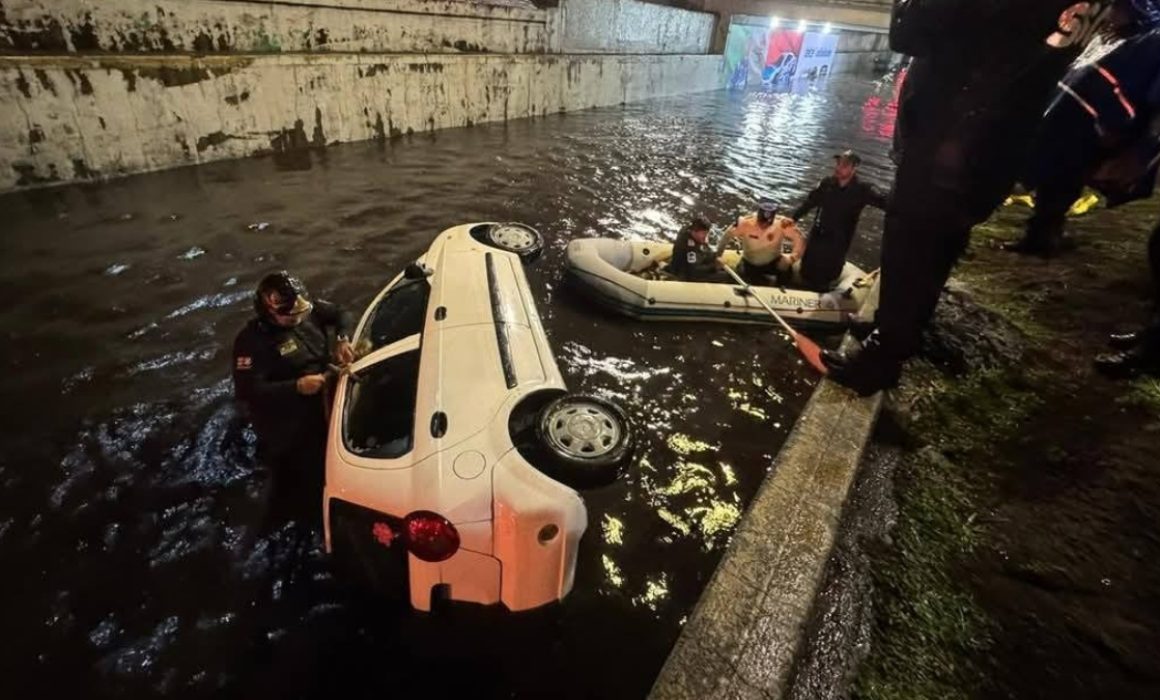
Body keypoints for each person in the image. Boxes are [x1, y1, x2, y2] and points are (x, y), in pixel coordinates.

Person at [821, 0, 1147, 396]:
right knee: (940, 244)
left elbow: (911, 32)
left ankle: (883, 357)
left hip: (951, 136)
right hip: (1000, 141)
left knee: (913, 246)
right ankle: (897, 330)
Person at [1004, 25, 1160, 257]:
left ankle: (1042, 234)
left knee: (1062, 167)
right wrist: (1142, 144)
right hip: (1098, 105)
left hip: (1081, 92)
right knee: (1064, 166)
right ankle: (1042, 234)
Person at [232, 271, 355, 522]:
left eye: (301, 314)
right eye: (290, 317)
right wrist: (296, 387)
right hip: (289, 418)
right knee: (308, 472)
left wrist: (342, 338)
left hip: (321, 393)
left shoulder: (305, 311)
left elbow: (341, 312)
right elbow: (248, 390)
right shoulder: (250, 343)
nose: (298, 319)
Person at [790, 150, 889, 291]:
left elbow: (885, 203)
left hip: (836, 243)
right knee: (806, 270)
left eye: (844, 165)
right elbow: (810, 202)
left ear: (854, 168)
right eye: (838, 163)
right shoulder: (827, 184)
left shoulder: (863, 190)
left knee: (825, 277)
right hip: (817, 236)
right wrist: (794, 218)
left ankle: (822, 299)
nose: (838, 167)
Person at [715, 198, 805, 284]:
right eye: (761, 222)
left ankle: (781, 288)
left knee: (786, 270)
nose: (763, 226)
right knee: (740, 277)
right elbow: (727, 236)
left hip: (774, 262)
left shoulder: (782, 224)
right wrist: (719, 255)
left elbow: (799, 240)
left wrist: (791, 258)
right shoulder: (745, 223)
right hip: (749, 263)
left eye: (767, 223)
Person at [667, 216, 727, 282]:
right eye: (704, 233)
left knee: (718, 265)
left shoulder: (688, 230)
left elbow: (701, 252)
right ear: (695, 231)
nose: (706, 236)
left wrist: (713, 257)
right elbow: (693, 271)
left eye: (707, 233)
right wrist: (713, 267)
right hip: (686, 274)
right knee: (727, 276)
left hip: (689, 265)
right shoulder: (689, 247)